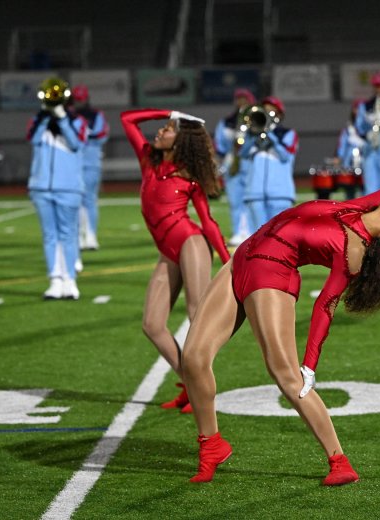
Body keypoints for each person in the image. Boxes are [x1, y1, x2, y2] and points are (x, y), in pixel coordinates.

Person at [180, 177, 380, 485]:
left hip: (272, 275)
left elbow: (325, 305)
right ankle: (212, 445)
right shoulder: (361, 207)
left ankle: (339, 461)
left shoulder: (354, 251)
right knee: (192, 359)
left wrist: (310, 363)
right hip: (241, 260)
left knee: (287, 377)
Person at [120, 107, 230, 413]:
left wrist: (226, 260)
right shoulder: (148, 161)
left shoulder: (189, 176)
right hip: (166, 252)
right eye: (163, 127)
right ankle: (189, 382)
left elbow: (207, 222)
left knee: (198, 315)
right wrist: (167, 112)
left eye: (168, 129)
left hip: (190, 244)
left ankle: (203, 389)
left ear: (180, 141)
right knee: (152, 325)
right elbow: (128, 120)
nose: (160, 131)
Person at [27, 77, 87, 300]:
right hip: (41, 187)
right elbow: (33, 140)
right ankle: (55, 279)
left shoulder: (77, 122)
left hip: (69, 188)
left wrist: (61, 118)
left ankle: (70, 280)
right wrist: (44, 116)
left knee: (68, 235)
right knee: (49, 236)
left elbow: (76, 144)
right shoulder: (38, 122)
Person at [240, 96, 297, 230]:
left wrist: (270, 135)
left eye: (271, 111)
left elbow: (285, 156)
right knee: (257, 237)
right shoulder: (251, 135)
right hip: (254, 193)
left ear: (279, 114)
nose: (267, 113)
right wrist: (254, 135)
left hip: (280, 194)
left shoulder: (287, 133)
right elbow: (242, 153)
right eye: (264, 110)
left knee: (280, 235)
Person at [70, 84, 109, 251]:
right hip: (73, 163)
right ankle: (79, 236)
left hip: (90, 163)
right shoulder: (69, 116)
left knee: (89, 200)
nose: (80, 102)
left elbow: (102, 135)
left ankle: (91, 236)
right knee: (76, 200)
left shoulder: (95, 115)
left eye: (81, 98)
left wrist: (82, 136)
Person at [213, 88, 255, 246]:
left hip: (252, 162)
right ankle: (239, 231)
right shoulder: (226, 122)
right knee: (235, 199)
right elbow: (220, 145)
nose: (241, 102)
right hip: (233, 163)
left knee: (252, 199)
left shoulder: (256, 120)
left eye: (245, 98)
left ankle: (252, 230)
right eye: (239, 99)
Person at [334, 99, 367, 200]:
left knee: (366, 190)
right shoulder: (349, 128)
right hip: (349, 163)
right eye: (357, 108)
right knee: (349, 190)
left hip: (365, 162)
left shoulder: (369, 127)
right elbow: (342, 144)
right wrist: (339, 157)